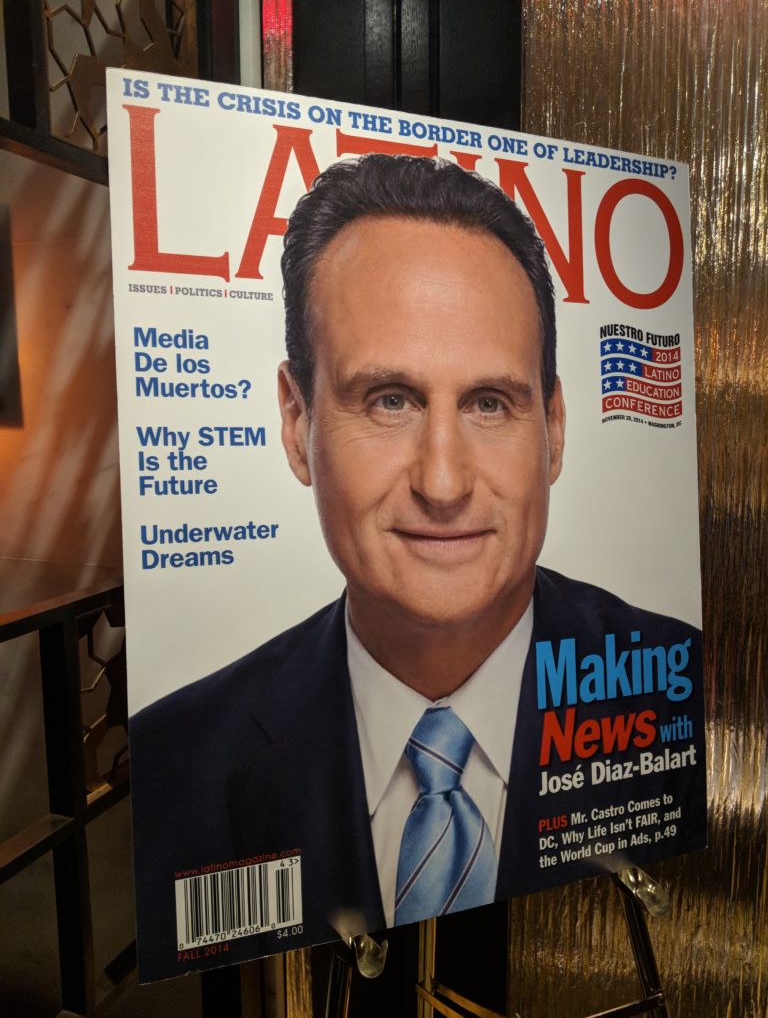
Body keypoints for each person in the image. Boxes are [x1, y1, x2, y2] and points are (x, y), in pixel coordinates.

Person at [130, 155, 705, 981]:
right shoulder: (179, 763)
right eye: (390, 400)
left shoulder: (678, 692)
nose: (443, 482)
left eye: (490, 403)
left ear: (555, 428)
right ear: (297, 425)